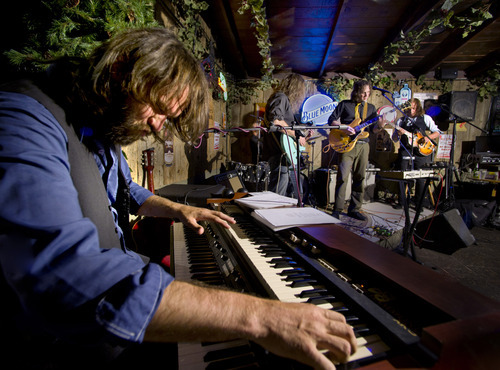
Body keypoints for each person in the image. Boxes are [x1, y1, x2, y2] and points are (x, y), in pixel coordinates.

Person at [0, 28, 356, 369]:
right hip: (61, 349)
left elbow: (127, 191)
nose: (158, 127)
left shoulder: (98, 124)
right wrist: (260, 316)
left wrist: (179, 209)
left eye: (167, 118)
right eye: (157, 109)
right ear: (122, 68)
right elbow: (66, 276)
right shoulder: (22, 117)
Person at [328, 80, 380, 221]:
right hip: (346, 144)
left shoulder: (371, 108)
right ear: (356, 92)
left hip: (363, 145)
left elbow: (374, 129)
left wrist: (380, 125)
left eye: (368, 93)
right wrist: (344, 127)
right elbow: (331, 119)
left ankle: (355, 208)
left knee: (360, 177)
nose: (366, 95)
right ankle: (337, 209)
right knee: (343, 177)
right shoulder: (345, 104)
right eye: (363, 92)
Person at [263, 73, 310, 200]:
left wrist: (302, 136)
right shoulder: (280, 97)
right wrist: (296, 135)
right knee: (279, 194)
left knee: (294, 193)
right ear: (296, 88)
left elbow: (289, 132)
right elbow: (276, 121)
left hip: (287, 156)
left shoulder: (285, 101)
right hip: (280, 155)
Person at [391, 98, 441, 208]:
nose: (410, 111)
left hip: (421, 152)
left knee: (421, 178)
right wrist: (398, 134)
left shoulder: (425, 118)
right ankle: (401, 202)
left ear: (417, 108)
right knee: (402, 176)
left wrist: (428, 138)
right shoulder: (401, 121)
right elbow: (394, 138)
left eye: (413, 108)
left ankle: (419, 203)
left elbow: (437, 132)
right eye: (408, 109)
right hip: (405, 151)